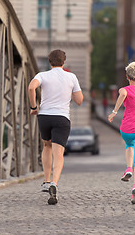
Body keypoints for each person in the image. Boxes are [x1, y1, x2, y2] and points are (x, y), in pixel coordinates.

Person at [28, 49, 83, 205]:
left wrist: (33, 107)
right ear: (64, 62)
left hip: (44, 116)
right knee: (59, 153)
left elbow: (31, 87)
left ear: (49, 61)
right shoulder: (71, 77)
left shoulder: (42, 75)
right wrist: (71, 92)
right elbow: (79, 100)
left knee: (47, 146)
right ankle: (54, 183)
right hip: (61, 117)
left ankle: (46, 181)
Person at [108, 61, 135, 204]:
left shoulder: (124, 90)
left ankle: (128, 168)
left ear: (127, 76)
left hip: (127, 129)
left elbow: (122, 95)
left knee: (129, 145)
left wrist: (114, 112)